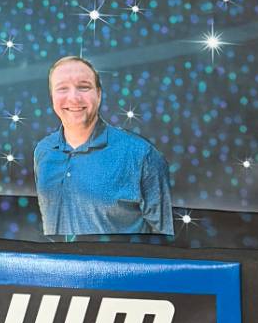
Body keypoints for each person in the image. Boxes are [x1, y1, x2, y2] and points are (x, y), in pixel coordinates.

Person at [32, 55, 173, 241]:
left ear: (99, 94)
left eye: (84, 87)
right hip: (55, 269)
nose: (73, 97)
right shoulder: (43, 151)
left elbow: (164, 239)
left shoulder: (141, 155)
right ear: (52, 97)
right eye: (62, 88)